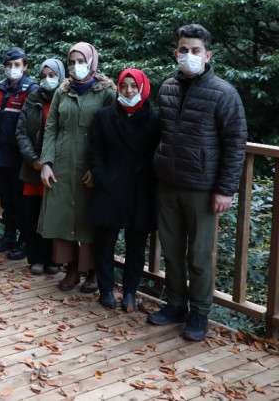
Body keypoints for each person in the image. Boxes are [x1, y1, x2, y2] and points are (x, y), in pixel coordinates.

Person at [148, 24, 247, 342]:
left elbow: (235, 143)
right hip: (168, 183)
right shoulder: (167, 88)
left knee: (200, 256)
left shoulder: (224, 93)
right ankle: (175, 304)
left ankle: (199, 313)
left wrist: (225, 189)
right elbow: (159, 133)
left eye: (195, 50)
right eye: (183, 50)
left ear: (208, 55)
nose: (188, 55)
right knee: (171, 251)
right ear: (175, 52)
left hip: (202, 188)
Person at [40, 42, 116, 293]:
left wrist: (98, 168)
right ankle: (71, 269)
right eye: (72, 62)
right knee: (65, 217)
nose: (76, 66)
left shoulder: (106, 91)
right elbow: (51, 128)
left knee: (89, 218)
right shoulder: (62, 90)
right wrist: (46, 163)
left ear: (92, 62)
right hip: (62, 163)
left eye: (81, 61)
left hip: (90, 163)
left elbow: (111, 133)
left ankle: (93, 272)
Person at [88, 68, 159, 312]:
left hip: (141, 188)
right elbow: (95, 151)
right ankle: (106, 289)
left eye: (133, 86)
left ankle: (130, 291)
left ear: (143, 88)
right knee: (105, 241)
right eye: (124, 86)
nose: (128, 91)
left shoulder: (154, 119)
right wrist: (101, 177)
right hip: (109, 187)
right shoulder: (104, 116)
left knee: (136, 244)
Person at [0, 47, 37, 259]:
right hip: (0, 153)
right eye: (9, 65)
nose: (13, 68)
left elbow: (31, 126)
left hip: (19, 156)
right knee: (6, 199)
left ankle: (25, 241)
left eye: (17, 65)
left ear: (25, 66)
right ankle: (8, 236)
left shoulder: (31, 90)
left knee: (21, 201)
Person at [15, 58, 64, 275]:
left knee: (53, 214)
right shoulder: (32, 97)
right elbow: (21, 132)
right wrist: (34, 159)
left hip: (56, 168)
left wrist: (50, 161)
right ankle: (35, 257)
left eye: (52, 75)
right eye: (44, 76)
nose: (47, 79)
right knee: (32, 214)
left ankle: (54, 259)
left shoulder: (65, 98)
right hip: (32, 167)